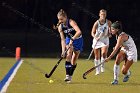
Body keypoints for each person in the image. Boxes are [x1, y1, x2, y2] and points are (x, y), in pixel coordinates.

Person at [54, 9, 83, 83]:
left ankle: (70, 75)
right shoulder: (60, 27)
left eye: (61, 19)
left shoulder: (71, 22)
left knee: (74, 58)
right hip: (68, 39)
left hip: (78, 39)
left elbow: (79, 32)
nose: (60, 21)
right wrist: (63, 51)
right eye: (59, 19)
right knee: (68, 53)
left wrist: (73, 39)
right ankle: (67, 76)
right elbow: (62, 39)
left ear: (65, 17)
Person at [91, 9, 112, 75]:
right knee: (97, 56)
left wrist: (110, 34)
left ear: (106, 15)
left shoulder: (108, 22)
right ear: (99, 15)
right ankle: (97, 70)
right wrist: (95, 37)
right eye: (102, 14)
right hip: (97, 40)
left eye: (104, 14)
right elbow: (92, 32)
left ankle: (102, 66)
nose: (103, 16)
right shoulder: (96, 23)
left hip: (105, 39)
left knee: (103, 53)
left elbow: (110, 32)